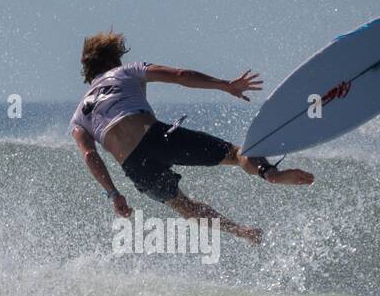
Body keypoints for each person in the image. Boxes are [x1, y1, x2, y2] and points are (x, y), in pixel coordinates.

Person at [70, 31, 313, 244]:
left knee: (185, 207)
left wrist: (114, 194)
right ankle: (269, 173)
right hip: (154, 137)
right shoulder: (125, 72)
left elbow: (91, 156)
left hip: (134, 167)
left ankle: (242, 231)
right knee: (236, 154)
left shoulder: (79, 116)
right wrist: (225, 85)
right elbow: (180, 74)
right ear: (114, 59)